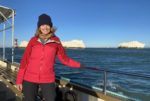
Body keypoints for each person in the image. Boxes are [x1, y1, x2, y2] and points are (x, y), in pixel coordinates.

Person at [16, 13, 82, 101]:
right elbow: (25, 60)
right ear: (39, 27)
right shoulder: (33, 40)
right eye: (42, 25)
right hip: (29, 78)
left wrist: (79, 65)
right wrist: (19, 80)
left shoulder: (56, 41)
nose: (45, 27)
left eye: (47, 25)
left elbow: (64, 59)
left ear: (51, 26)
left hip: (47, 78)